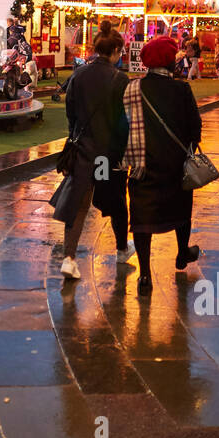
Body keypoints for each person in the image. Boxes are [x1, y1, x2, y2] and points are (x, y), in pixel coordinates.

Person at [121, 35, 203, 295]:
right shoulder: (182, 90)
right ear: (170, 62)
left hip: (143, 164)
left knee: (142, 219)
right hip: (176, 166)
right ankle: (181, 254)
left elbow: (123, 126)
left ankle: (145, 274)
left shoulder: (133, 89)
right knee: (181, 211)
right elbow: (195, 129)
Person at [57, 20, 130, 281]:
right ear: (116, 51)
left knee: (78, 204)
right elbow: (124, 121)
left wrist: (75, 135)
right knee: (117, 201)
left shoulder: (79, 74)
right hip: (108, 153)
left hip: (83, 149)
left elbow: (71, 113)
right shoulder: (120, 78)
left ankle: (69, 257)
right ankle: (122, 249)